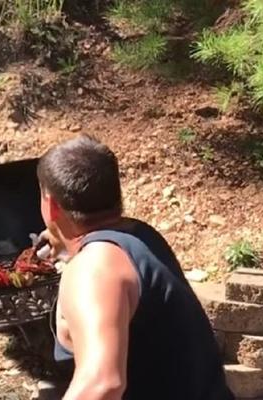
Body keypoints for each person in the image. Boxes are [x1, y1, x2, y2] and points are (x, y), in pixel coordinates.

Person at [34, 134, 234, 400]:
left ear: (50, 205)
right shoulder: (140, 236)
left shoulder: (94, 269)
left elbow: (102, 384)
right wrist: (63, 241)